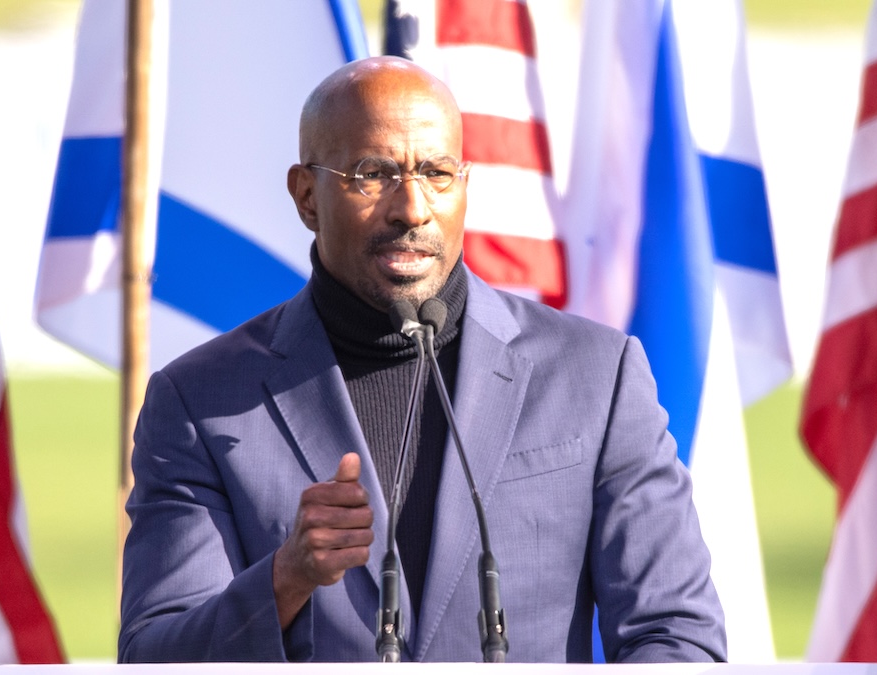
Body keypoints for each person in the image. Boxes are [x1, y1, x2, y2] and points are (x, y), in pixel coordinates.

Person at [118, 56, 725, 663]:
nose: (412, 209)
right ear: (306, 196)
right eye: (372, 173)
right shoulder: (200, 400)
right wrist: (286, 578)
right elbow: (154, 656)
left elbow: (675, 635)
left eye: (437, 173)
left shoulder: (596, 375)